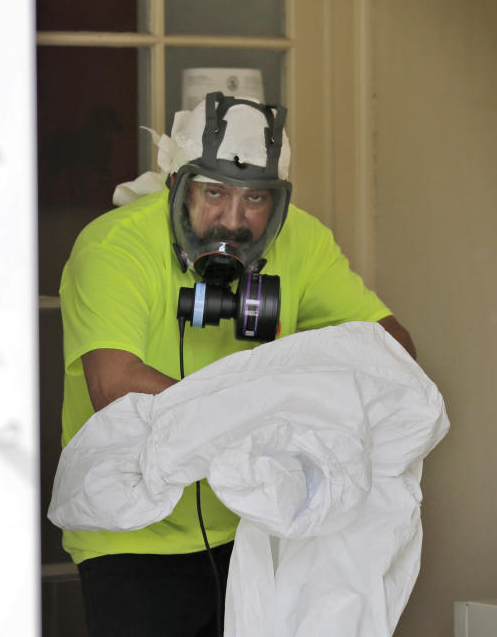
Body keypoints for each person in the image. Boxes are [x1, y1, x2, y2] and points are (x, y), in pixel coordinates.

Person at [57, 92, 416, 636]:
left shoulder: (305, 243)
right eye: (214, 193)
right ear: (177, 186)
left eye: (255, 200)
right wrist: (268, 416)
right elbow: (116, 385)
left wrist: (315, 384)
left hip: (260, 529)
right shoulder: (114, 247)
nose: (233, 218)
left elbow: (391, 348)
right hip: (131, 532)